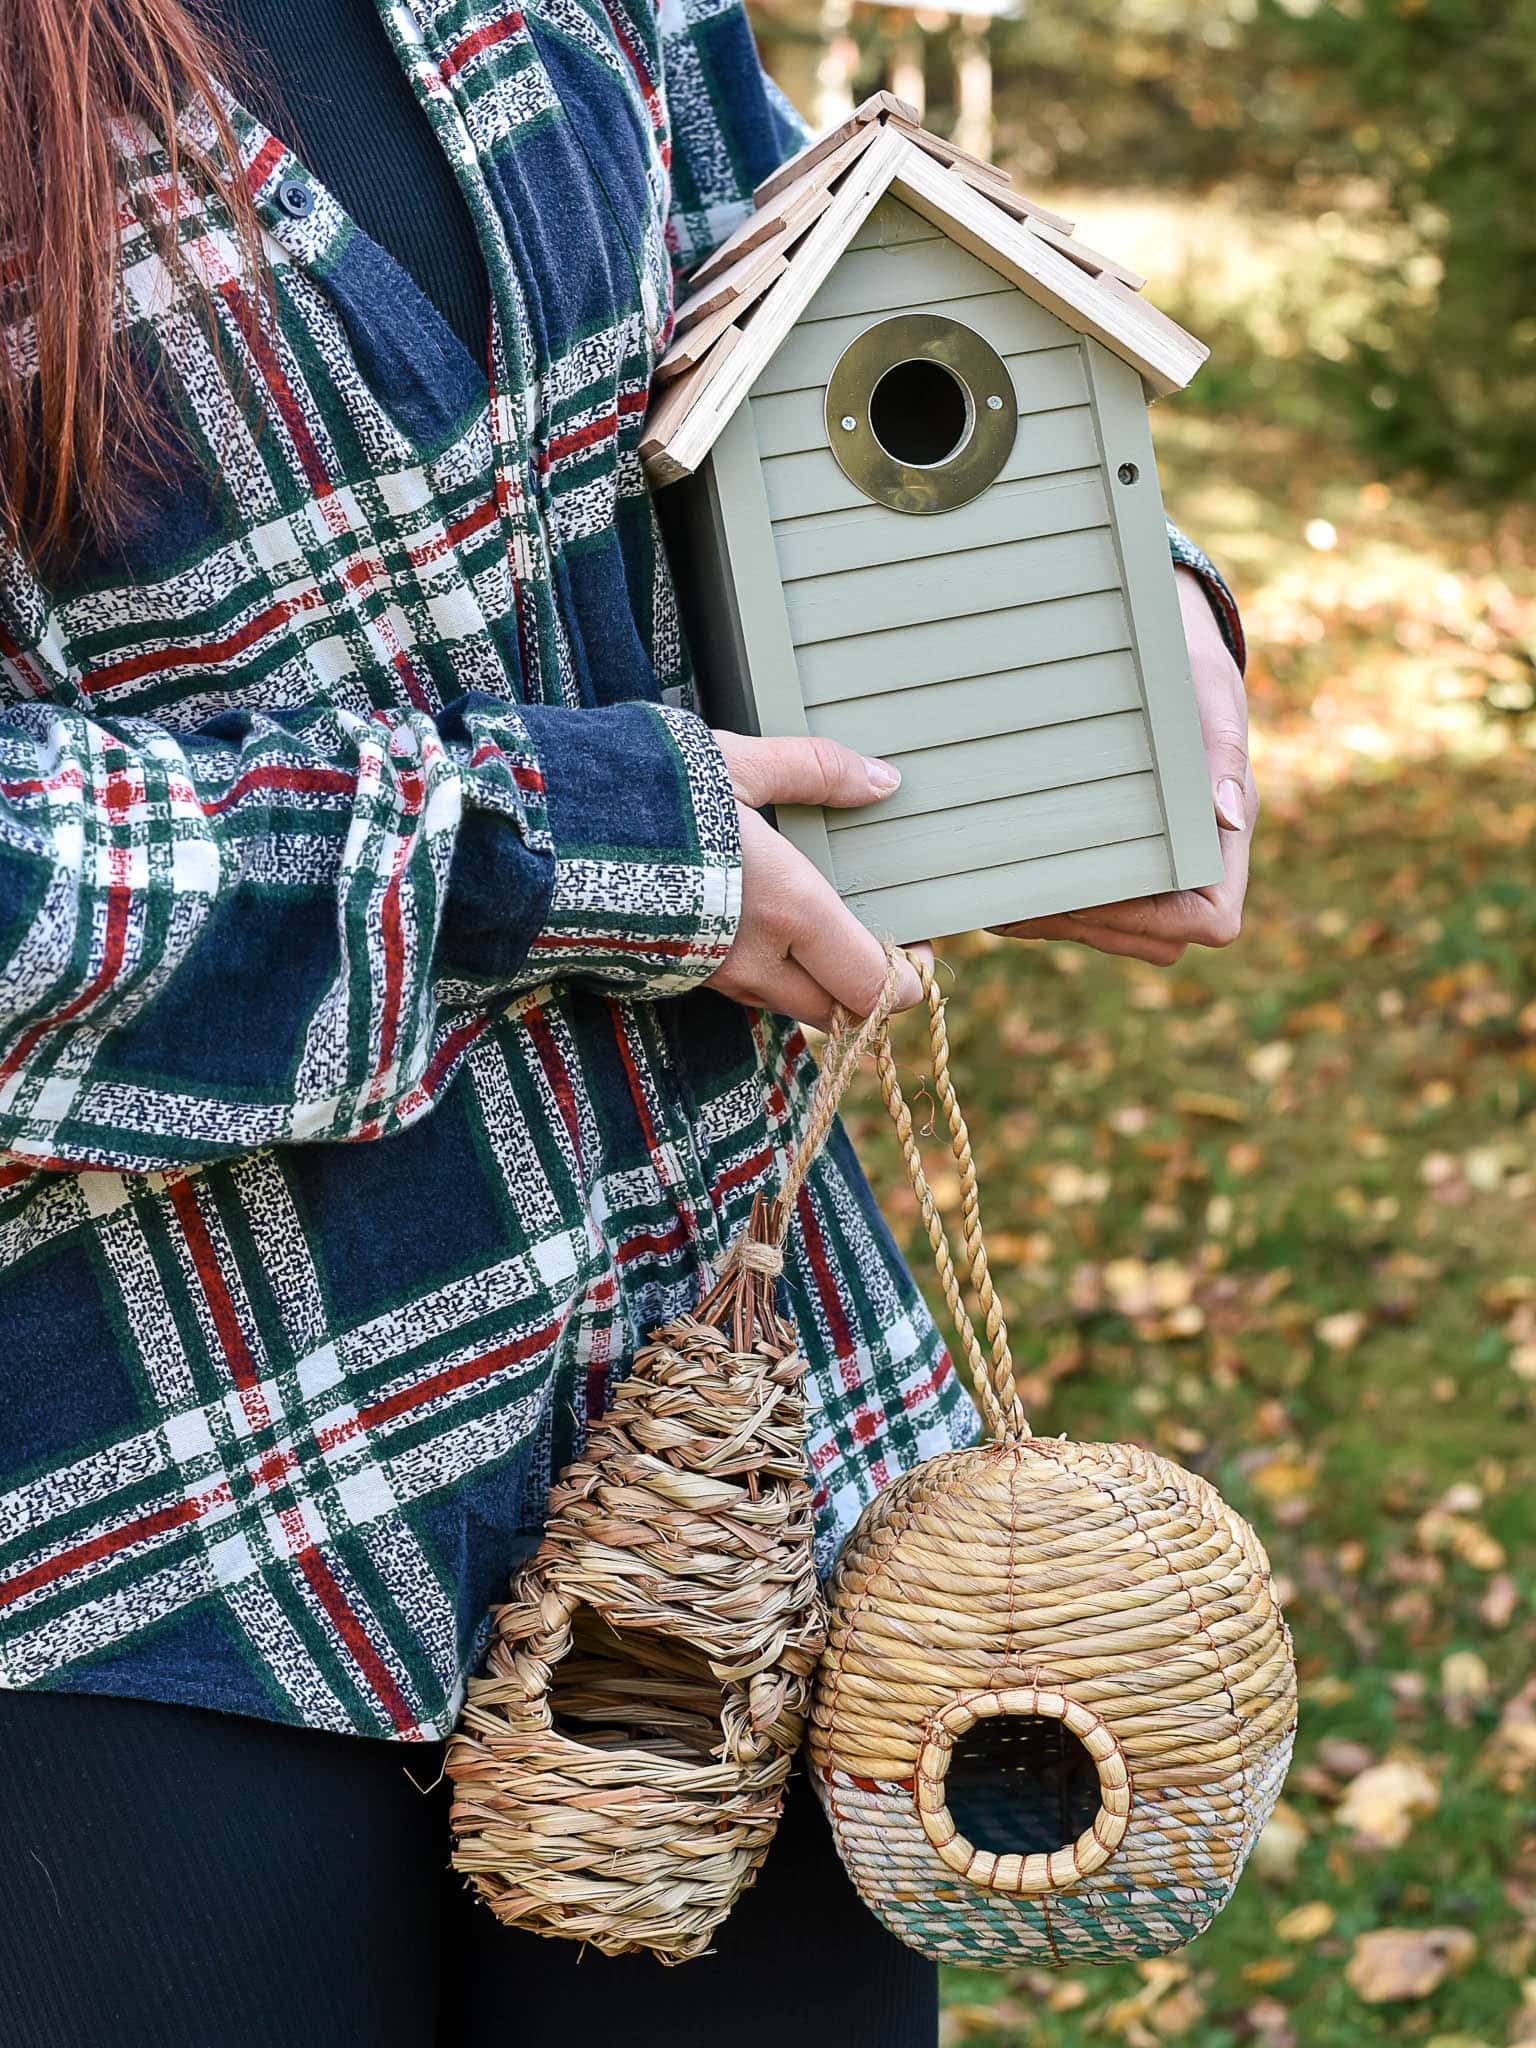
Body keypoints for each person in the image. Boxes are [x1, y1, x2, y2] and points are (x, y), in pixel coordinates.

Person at [0, 1, 1257, 2041]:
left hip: (724, 1429)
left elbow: (790, 289)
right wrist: (545, 846)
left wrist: (1122, 589)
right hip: (154, 1533)